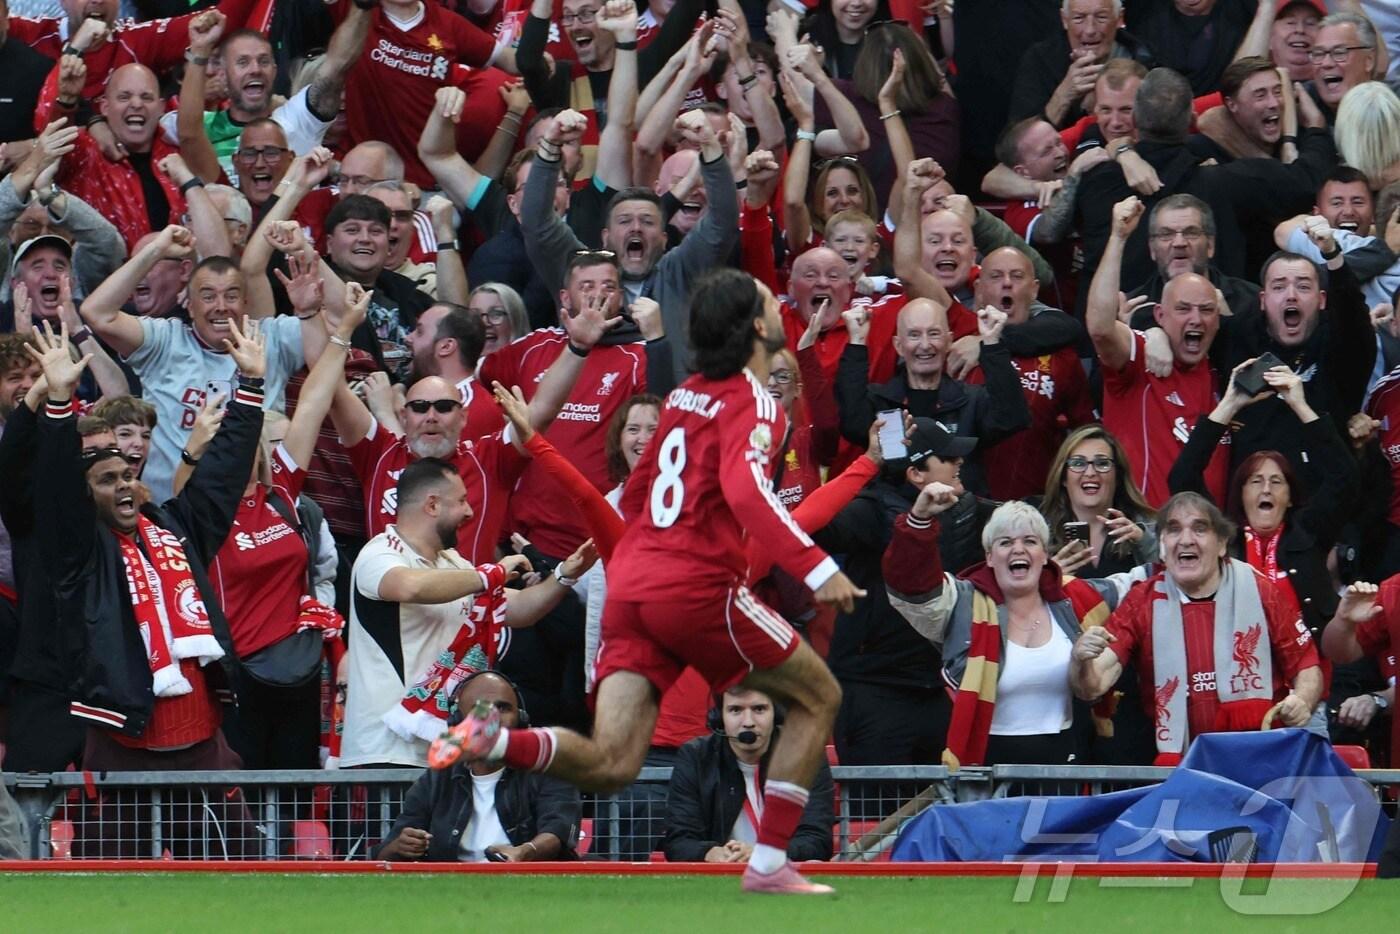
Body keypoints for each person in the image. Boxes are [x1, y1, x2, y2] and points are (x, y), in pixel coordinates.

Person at [433, 268, 863, 895]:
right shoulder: (755, 401)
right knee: (820, 696)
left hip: (633, 582)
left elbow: (636, 491)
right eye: (770, 303)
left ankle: (496, 738)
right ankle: (771, 863)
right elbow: (748, 494)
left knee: (611, 762)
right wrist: (819, 568)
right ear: (755, 328)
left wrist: (644, 549)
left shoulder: (686, 393)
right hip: (693, 584)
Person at [30, 315, 265, 771]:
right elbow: (57, 491)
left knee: (233, 845)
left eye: (125, 476)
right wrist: (60, 402)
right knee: (122, 847)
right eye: (105, 480)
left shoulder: (175, 528)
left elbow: (219, 481)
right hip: (124, 744)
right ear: (84, 494)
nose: (122, 485)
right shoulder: (80, 553)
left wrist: (251, 387)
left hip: (202, 740)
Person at [340, 457, 597, 768]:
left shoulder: (453, 564)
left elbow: (519, 610)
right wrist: (490, 576)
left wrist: (565, 575)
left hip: (443, 751)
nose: (469, 511)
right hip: (384, 752)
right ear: (432, 505)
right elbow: (410, 587)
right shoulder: (379, 553)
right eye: (461, 501)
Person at [1071, 492, 1324, 765]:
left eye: (1200, 528)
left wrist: (1303, 700)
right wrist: (1079, 661)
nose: (1186, 539)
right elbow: (1093, 684)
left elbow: (1307, 667)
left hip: (1262, 765)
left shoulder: (1260, 590)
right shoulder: (1140, 601)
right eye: (1174, 529)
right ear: (1162, 545)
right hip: (1184, 772)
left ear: (1222, 544)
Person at [882, 499, 1137, 767]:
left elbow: (1143, 584)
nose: (1018, 549)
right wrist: (919, 521)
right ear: (990, 557)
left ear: (1044, 554)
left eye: (1030, 541)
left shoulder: (1075, 599)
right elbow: (913, 586)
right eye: (1005, 543)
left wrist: (1145, 539)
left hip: (1062, 762)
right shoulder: (963, 602)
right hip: (982, 761)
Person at [78, 226, 312, 502]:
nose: (221, 306)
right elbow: (96, 313)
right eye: (208, 296)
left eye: (232, 295)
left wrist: (306, 263)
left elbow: (342, 325)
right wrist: (156, 252)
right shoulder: (165, 340)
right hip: (171, 518)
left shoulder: (271, 339)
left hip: (254, 519)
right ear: (189, 305)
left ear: (246, 303)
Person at [1169, 361, 1357, 647]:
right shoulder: (1220, 538)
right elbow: (1183, 477)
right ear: (1241, 493)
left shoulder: (1310, 531)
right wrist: (1231, 403)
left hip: (1310, 672)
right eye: (1255, 481)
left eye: (1277, 482)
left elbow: (1345, 478)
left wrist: (1300, 404)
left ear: (1291, 496)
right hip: (1239, 674)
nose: (1266, 489)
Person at [1086, 196, 1226, 507]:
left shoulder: (1228, 371)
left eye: (1206, 310)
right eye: (1183, 309)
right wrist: (1118, 237)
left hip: (1213, 537)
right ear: (1160, 315)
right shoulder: (1139, 358)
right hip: (1145, 530)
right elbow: (1099, 327)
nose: (1195, 319)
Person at [376, 670, 581, 861]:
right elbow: (383, 854)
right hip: (452, 890)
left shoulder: (550, 769)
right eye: (480, 710)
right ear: (457, 723)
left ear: (521, 719)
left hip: (530, 886)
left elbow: (558, 831)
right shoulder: (435, 781)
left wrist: (523, 852)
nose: (492, 719)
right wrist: (401, 846)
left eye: (502, 708)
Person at [836, 299, 1031, 497]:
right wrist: (857, 344)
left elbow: (1012, 418)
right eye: (914, 335)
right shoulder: (881, 402)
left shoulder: (970, 400)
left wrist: (991, 344)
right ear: (898, 345)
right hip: (893, 519)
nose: (925, 345)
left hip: (959, 517)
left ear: (949, 341)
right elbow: (852, 423)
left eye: (934, 333)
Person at [662, 688, 834, 863]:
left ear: (776, 712)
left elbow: (817, 841)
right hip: (719, 879)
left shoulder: (806, 754)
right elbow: (679, 841)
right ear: (719, 716)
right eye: (736, 710)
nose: (748, 722)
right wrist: (710, 853)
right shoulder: (696, 757)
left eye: (759, 709)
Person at [1321, 578, 1400, 877]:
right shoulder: (1393, 592)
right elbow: (1339, 652)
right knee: (1392, 877)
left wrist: (1380, 699)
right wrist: (1344, 621)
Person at [1009, 0, 1154, 129]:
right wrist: (1063, 95)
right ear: (1064, 19)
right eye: (1079, 18)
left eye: (1101, 17)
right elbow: (1020, 142)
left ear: (1119, 18)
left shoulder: (1145, 57)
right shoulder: (1039, 60)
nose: (1090, 30)